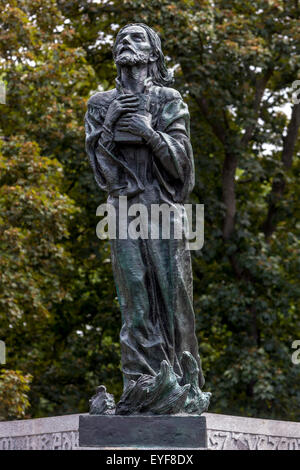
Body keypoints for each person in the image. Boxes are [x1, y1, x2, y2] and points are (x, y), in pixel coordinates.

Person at [85, 23, 206, 412]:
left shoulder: (169, 99)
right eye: (121, 37)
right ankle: (140, 384)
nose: (126, 42)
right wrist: (109, 124)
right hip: (121, 209)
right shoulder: (100, 103)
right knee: (134, 296)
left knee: (174, 298)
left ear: (152, 54)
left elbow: (184, 169)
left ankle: (183, 384)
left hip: (163, 210)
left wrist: (149, 133)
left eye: (137, 38)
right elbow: (103, 174)